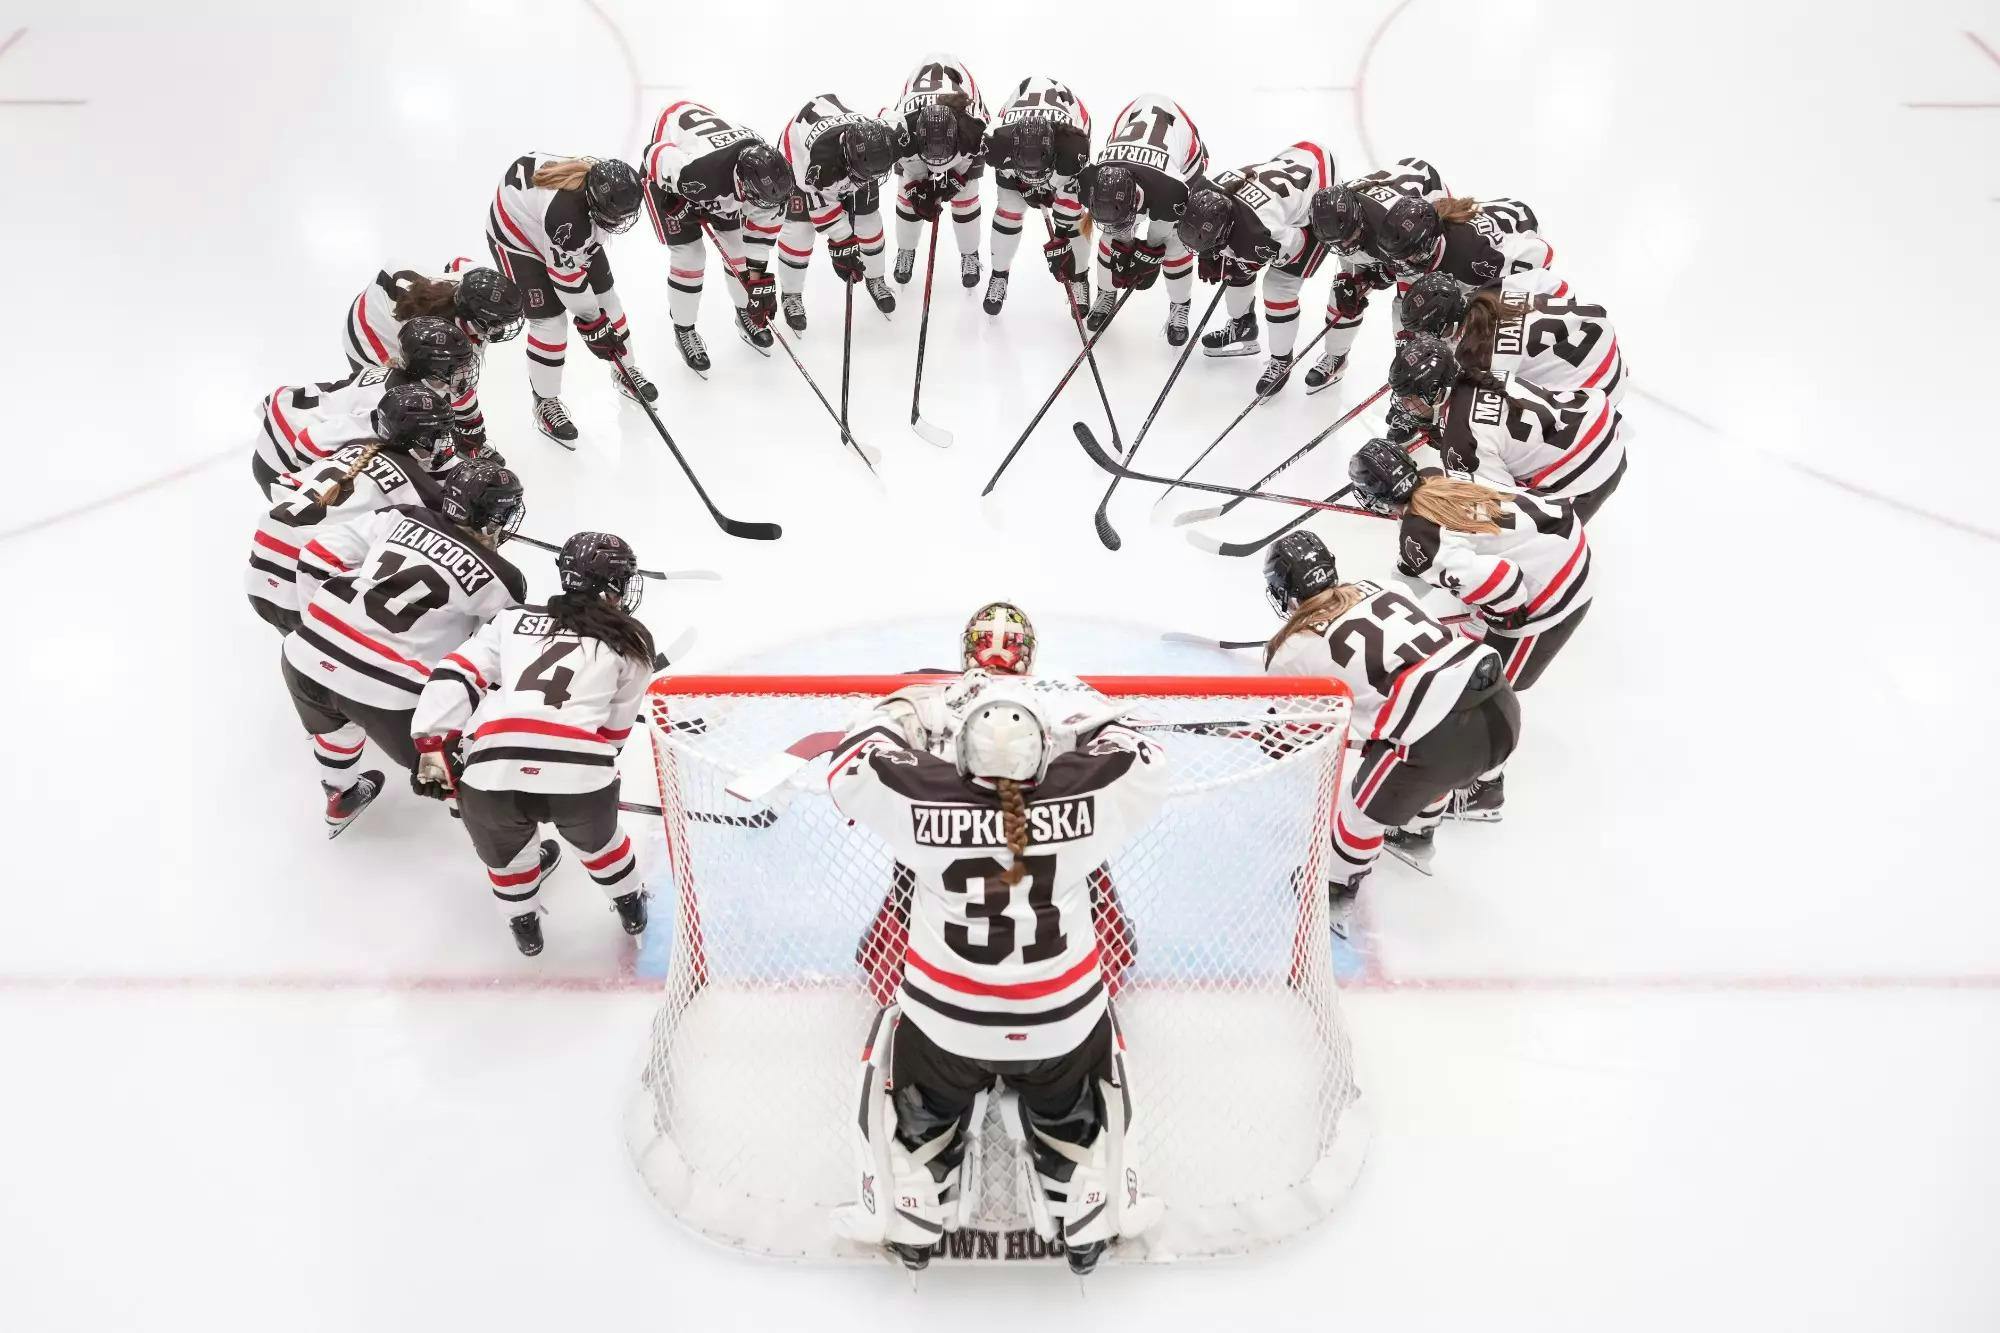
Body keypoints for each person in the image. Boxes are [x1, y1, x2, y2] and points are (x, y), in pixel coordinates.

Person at [827, 675, 1169, 1275]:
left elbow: (850, 763)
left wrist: (904, 714)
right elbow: (1146, 757)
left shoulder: (923, 793)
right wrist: (1082, 717)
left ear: (961, 752)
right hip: (1060, 1029)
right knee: (1070, 1091)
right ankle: (1078, 1194)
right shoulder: (1083, 791)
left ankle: (919, 1196)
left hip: (945, 1031)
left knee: (923, 1092)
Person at [853, 604, 1140, 1010]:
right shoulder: (1062, 695)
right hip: (1047, 828)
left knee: (917, 867)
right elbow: (1119, 746)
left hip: (947, 828)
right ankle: (1097, 974)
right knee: (1082, 860)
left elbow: (879, 736)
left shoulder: (932, 697)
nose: (997, 655)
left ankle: (898, 979)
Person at [411, 531, 654, 957]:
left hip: (490, 774)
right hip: (579, 777)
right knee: (604, 845)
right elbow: (614, 736)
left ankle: (525, 928)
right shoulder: (631, 641)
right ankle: (630, 905)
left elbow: (455, 673)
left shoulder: (510, 621)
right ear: (612, 585)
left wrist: (434, 747)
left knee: (508, 860)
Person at [1261, 532, 1519, 909]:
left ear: (1283, 591)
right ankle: (1417, 832)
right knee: (1406, 739)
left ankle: (1333, 891)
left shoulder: (1290, 652)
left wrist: (1269, 736)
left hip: (1438, 741)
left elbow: (1303, 738)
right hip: (1501, 704)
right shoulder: (1383, 585)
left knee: (1359, 809)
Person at [1346, 439, 1595, 820]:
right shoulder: (1434, 479)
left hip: (1555, 591)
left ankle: (1487, 790)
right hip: (1562, 543)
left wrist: (1502, 615)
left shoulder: (1421, 537)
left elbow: (1503, 582)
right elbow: (1426, 556)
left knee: (1483, 692)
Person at [278, 458, 528, 837]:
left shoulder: (401, 516)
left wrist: (320, 627)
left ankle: (341, 793)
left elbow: (316, 556)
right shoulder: (505, 579)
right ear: (491, 519)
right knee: (453, 772)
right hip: (386, 696)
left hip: (302, 659)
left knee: (335, 725)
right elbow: (489, 668)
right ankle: (512, 850)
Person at [245, 383, 460, 634]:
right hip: (302, 580)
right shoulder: (421, 490)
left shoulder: (353, 447)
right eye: (439, 434)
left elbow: (285, 484)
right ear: (417, 440)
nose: (445, 441)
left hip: (258, 566)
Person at [485, 152, 652, 446]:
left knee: (607, 297)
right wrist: (593, 323)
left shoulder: (597, 191)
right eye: (615, 216)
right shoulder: (567, 217)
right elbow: (567, 282)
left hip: (552, 220)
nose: (620, 222)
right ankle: (545, 402)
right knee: (550, 322)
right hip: (515, 235)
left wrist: (598, 323)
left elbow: (591, 286)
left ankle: (626, 368)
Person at [1387, 333, 1626, 522]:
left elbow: (1505, 506)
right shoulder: (1485, 375)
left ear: (1435, 392)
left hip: (1590, 470)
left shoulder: (1460, 442)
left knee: (1500, 529)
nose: (1405, 405)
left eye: (1409, 397)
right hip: (1598, 421)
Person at [642, 100, 796, 369]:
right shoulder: (694, 170)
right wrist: (675, 191)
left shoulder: (773, 180)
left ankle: (743, 312)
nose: (764, 208)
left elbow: (758, 242)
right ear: (743, 183)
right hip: (675, 174)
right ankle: (684, 329)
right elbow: (652, 152)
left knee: (737, 250)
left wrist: (754, 291)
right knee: (690, 256)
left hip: (716, 179)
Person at [1176, 140, 1337, 396]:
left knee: (1278, 288)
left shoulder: (1263, 232)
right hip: (1293, 157)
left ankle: (1281, 361)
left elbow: (1297, 248)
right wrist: (1212, 253)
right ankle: (1243, 326)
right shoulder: (1204, 191)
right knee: (1232, 262)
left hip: (1318, 192)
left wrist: (1247, 260)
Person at [251, 317, 474, 497]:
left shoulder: (398, 382)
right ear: (434, 370)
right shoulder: (389, 405)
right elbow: (309, 443)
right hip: (284, 459)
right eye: (458, 367)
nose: (465, 373)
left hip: (291, 419)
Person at [1298, 156, 1450, 391]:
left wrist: (1387, 273)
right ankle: (1336, 357)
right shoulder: (1335, 215)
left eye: (1347, 238)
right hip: (1378, 221)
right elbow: (1349, 252)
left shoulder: (1393, 225)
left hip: (1424, 203)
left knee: (1411, 309)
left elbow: (1409, 278)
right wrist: (1353, 280)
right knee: (1344, 295)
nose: (1344, 247)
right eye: (1336, 243)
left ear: (1357, 218)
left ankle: (1416, 371)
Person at [341, 259, 523, 453]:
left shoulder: (470, 282)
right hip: (368, 332)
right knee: (410, 403)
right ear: (475, 320)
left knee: (447, 380)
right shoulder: (434, 336)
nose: (501, 329)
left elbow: (458, 262)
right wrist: (472, 431)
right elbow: (457, 388)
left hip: (388, 298)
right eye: (498, 323)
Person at [1074, 93, 1208, 341]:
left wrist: (1149, 252)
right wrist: (1123, 245)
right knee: (1111, 236)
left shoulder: (1170, 190)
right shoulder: (1094, 178)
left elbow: (1159, 235)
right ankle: (1106, 291)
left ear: (1136, 199)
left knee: (1175, 243)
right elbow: (1115, 226)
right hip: (1132, 125)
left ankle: (1180, 305)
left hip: (1184, 160)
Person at [1399, 271, 1625, 407]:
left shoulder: (1475, 358)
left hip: (1600, 387)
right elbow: (1557, 285)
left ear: (1447, 325)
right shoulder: (1489, 291)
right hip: (1600, 332)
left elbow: (1503, 413)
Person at [773, 95, 899, 325]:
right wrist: (843, 243)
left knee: (869, 222)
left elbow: (895, 117)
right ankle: (791, 294)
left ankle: (876, 278)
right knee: (799, 232)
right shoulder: (818, 164)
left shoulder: (884, 139)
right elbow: (821, 210)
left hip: (855, 158)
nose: (867, 181)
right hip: (799, 160)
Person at [981, 75, 1092, 318]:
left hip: (1065, 135)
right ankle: (999, 274)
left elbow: (1071, 192)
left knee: (1070, 217)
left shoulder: (1073, 148)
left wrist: (1062, 239)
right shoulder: (998, 144)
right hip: (1023, 146)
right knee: (1009, 209)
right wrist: (1026, 187)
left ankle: (1080, 276)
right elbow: (1008, 179)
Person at [887, 56, 991, 291]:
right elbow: (909, 165)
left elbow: (977, 148)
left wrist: (956, 179)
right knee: (908, 197)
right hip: (919, 133)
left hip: (958, 133)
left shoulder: (972, 127)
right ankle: (906, 247)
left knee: (965, 195)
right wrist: (918, 188)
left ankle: (969, 253)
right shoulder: (903, 129)